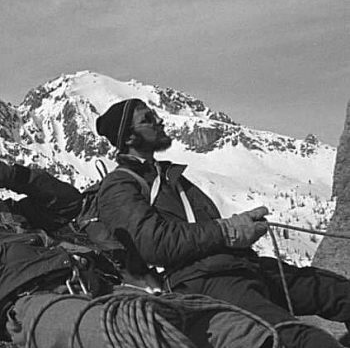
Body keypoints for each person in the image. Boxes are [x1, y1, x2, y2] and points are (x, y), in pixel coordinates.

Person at [96, 98, 350, 348]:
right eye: (148, 119)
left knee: (341, 293)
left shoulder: (169, 177)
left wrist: (238, 228)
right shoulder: (120, 185)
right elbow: (155, 244)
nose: (159, 121)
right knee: (297, 339)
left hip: (240, 266)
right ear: (129, 138)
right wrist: (227, 230)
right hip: (201, 281)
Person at [0, 161, 275, 348]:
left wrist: (11, 175)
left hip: (98, 283)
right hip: (31, 302)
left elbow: (69, 204)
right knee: (130, 334)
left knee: (228, 326)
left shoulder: (13, 213)